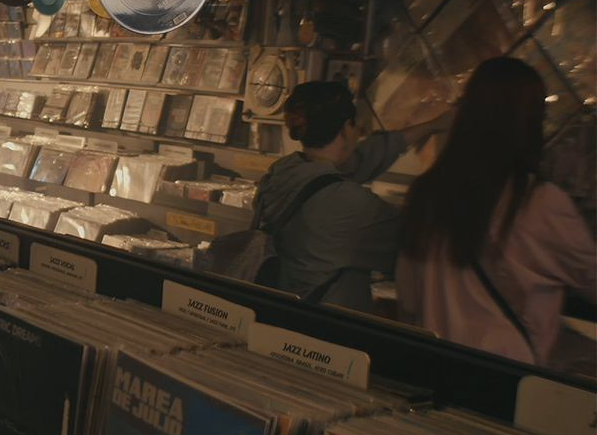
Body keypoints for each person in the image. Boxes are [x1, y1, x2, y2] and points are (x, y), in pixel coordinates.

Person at [397, 57, 596, 368]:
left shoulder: (426, 193)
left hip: (431, 365)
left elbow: (408, 300)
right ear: (530, 122)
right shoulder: (539, 202)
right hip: (503, 373)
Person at [255, 80, 454, 312]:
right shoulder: (354, 205)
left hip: (279, 309)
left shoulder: (281, 172)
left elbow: (359, 161)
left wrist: (431, 126)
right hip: (327, 323)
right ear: (346, 130)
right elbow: (420, 247)